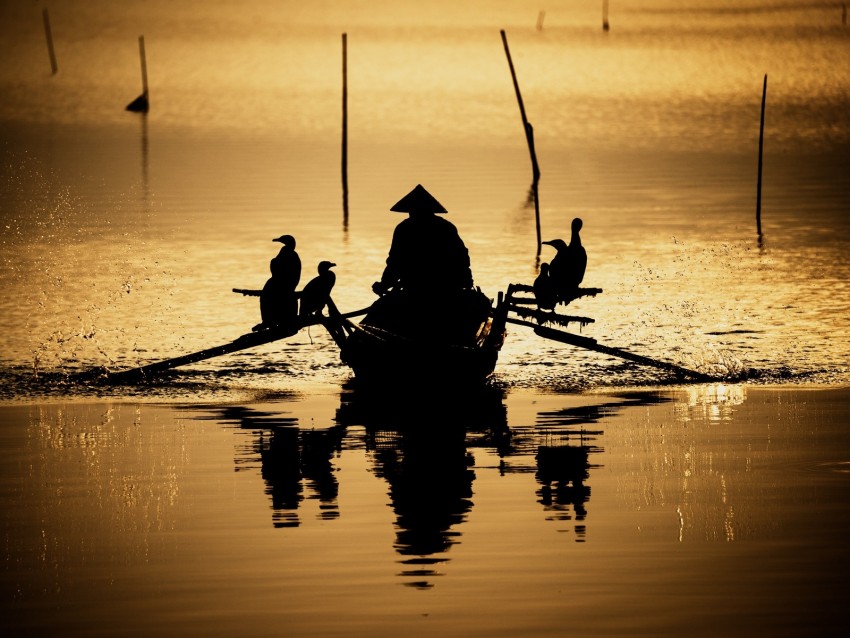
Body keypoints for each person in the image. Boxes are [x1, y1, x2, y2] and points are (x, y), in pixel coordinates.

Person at [372, 184, 473, 298]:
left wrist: (384, 284)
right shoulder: (446, 227)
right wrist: (466, 281)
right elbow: (462, 258)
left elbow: (395, 263)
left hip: (416, 290)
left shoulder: (404, 229)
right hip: (447, 288)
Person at [255, 234, 301, 330]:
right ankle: (268, 321)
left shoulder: (291, 256)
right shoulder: (290, 254)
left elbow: (288, 273)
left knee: (267, 294)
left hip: (285, 285)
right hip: (282, 283)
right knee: (266, 293)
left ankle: (268, 321)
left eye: (282, 239)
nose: (279, 240)